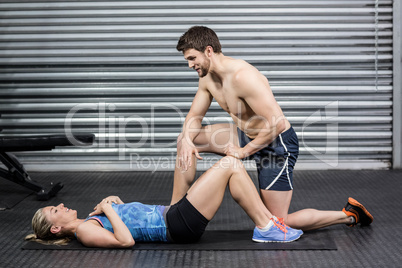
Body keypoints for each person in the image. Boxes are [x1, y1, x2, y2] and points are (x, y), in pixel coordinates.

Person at [172, 26, 374, 231]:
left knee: (279, 222)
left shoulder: (243, 77)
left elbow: (277, 123)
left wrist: (243, 152)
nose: (190, 65)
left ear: (208, 51)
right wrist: (188, 140)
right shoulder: (207, 78)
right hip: (246, 134)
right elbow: (194, 117)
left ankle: (349, 215)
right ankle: (173, 212)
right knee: (186, 139)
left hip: (276, 144)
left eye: (192, 58)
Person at [25, 157, 305, 248]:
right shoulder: (84, 231)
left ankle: (267, 222)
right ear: (55, 229)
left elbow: (128, 222)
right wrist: (109, 208)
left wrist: (117, 203)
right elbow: (125, 241)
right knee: (230, 163)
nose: (60, 206)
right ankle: (266, 224)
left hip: (172, 214)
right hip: (176, 225)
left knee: (227, 167)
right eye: (55, 211)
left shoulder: (89, 220)